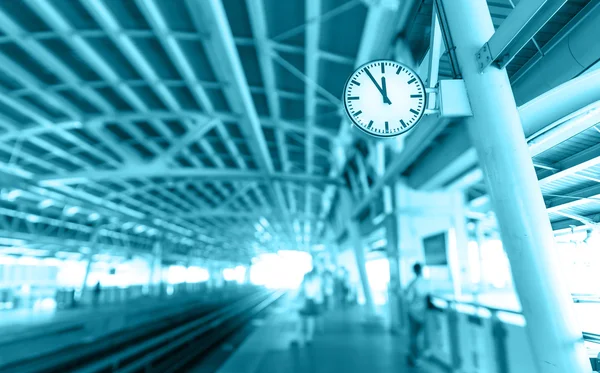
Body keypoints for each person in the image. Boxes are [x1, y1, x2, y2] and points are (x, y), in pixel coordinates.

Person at [404, 262, 428, 367]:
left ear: (414, 271)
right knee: (421, 335)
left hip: (413, 312)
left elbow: (408, 298)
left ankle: (414, 357)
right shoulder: (426, 282)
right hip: (423, 312)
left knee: (413, 336)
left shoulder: (412, 284)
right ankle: (420, 355)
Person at [293, 266, 324, 345]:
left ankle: (297, 338)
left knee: (300, 321)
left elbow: (299, 293)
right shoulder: (316, 281)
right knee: (310, 320)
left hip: (304, 302)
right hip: (312, 302)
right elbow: (318, 293)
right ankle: (309, 338)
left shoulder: (305, 283)